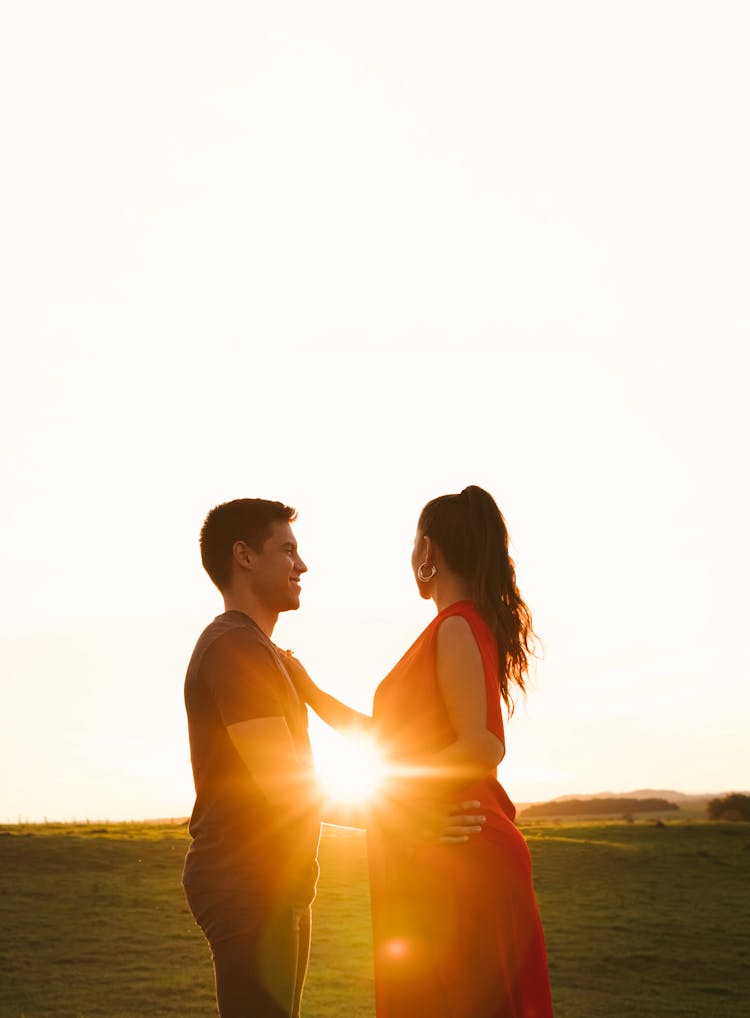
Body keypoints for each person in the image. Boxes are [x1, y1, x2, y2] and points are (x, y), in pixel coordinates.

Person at [181, 497, 485, 1018]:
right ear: (243, 556)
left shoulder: (263, 652)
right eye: (288, 550)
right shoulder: (235, 648)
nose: (302, 565)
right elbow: (286, 784)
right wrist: (406, 818)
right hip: (246, 880)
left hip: (280, 881)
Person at [289, 486, 554, 1017]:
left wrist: (407, 800)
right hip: (442, 844)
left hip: (463, 848)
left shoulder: (455, 625)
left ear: (428, 550)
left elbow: (483, 745)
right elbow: (391, 743)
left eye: (414, 542)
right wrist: (312, 694)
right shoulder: (450, 627)